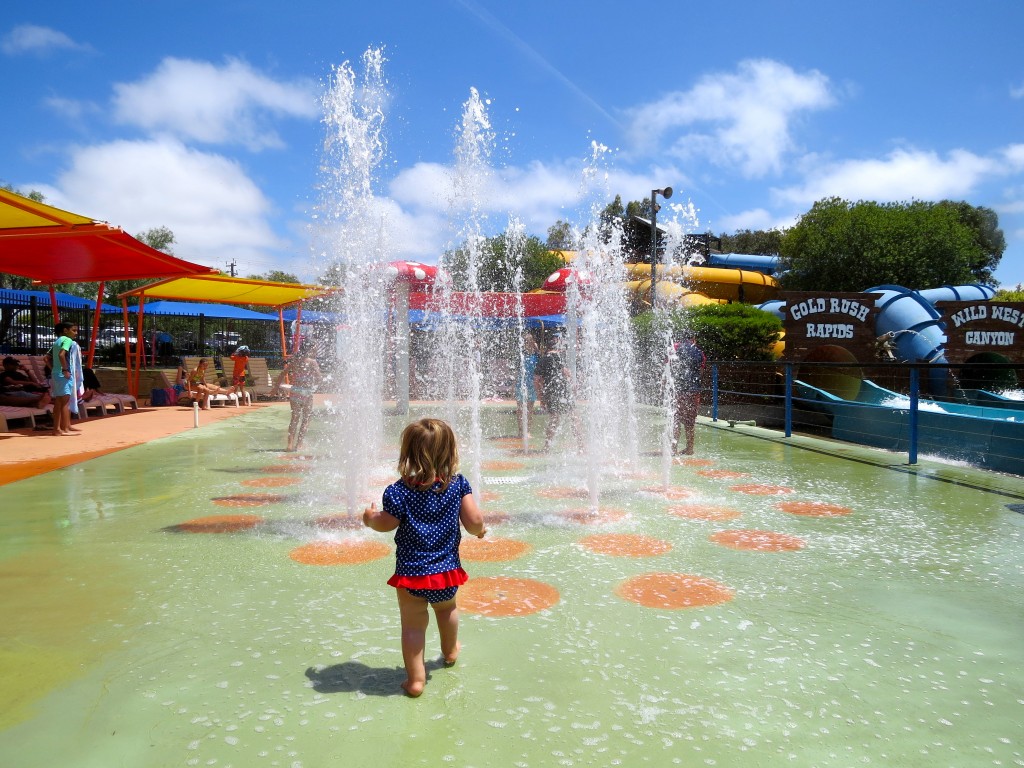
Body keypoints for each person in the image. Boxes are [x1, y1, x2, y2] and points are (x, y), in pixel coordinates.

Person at [362, 418, 487, 698]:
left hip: (411, 573)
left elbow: (387, 524)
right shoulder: (456, 485)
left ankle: (416, 681)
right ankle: (451, 651)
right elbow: (474, 520)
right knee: (447, 610)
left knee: (413, 625)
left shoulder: (398, 491)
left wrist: (370, 519)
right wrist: (480, 531)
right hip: (446, 571)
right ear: (450, 452)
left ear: (407, 453)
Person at [533, 334, 576, 451]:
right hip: (564, 389)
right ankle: (582, 447)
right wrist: (572, 386)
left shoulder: (543, 359)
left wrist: (540, 398)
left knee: (554, 418)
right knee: (573, 417)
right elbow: (567, 374)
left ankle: (547, 447)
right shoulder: (560, 357)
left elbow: (536, 380)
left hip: (551, 391)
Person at [669, 333, 706, 455]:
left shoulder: (675, 347)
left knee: (676, 419)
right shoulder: (700, 353)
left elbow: (668, 365)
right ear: (694, 339)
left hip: (679, 390)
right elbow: (700, 372)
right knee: (690, 420)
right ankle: (690, 448)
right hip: (694, 391)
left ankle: (673, 449)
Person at [282, 353, 322, 451]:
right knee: (306, 419)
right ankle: (299, 445)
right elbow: (319, 377)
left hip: (295, 392)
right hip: (306, 393)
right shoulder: (313, 362)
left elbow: (283, 373)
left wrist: (275, 388)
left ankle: (289, 445)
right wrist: (315, 385)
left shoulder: (295, 362)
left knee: (294, 419)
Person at [49, 322, 82, 436]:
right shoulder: (67, 340)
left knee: (59, 402)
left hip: (57, 374)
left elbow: (46, 358)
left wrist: (55, 369)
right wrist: (65, 370)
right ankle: (64, 429)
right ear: (65, 330)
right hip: (63, 375)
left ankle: (57, 429)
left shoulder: (57, 341)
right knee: (64, 402)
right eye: (73, 330)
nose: (76, 333)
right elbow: (62, 355)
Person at [515, 332, 540, 437]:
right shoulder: (521, 354)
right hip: (521, 383)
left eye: (528, 341)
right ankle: (521, 431)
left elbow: (539, 368)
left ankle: (528, 430)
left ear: (532, 342)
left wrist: (537, 349)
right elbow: (517, 371)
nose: (526, 343)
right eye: (525, 341)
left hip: (531, 384)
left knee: (530, 409)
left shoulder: (536, 355)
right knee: (520, 409)